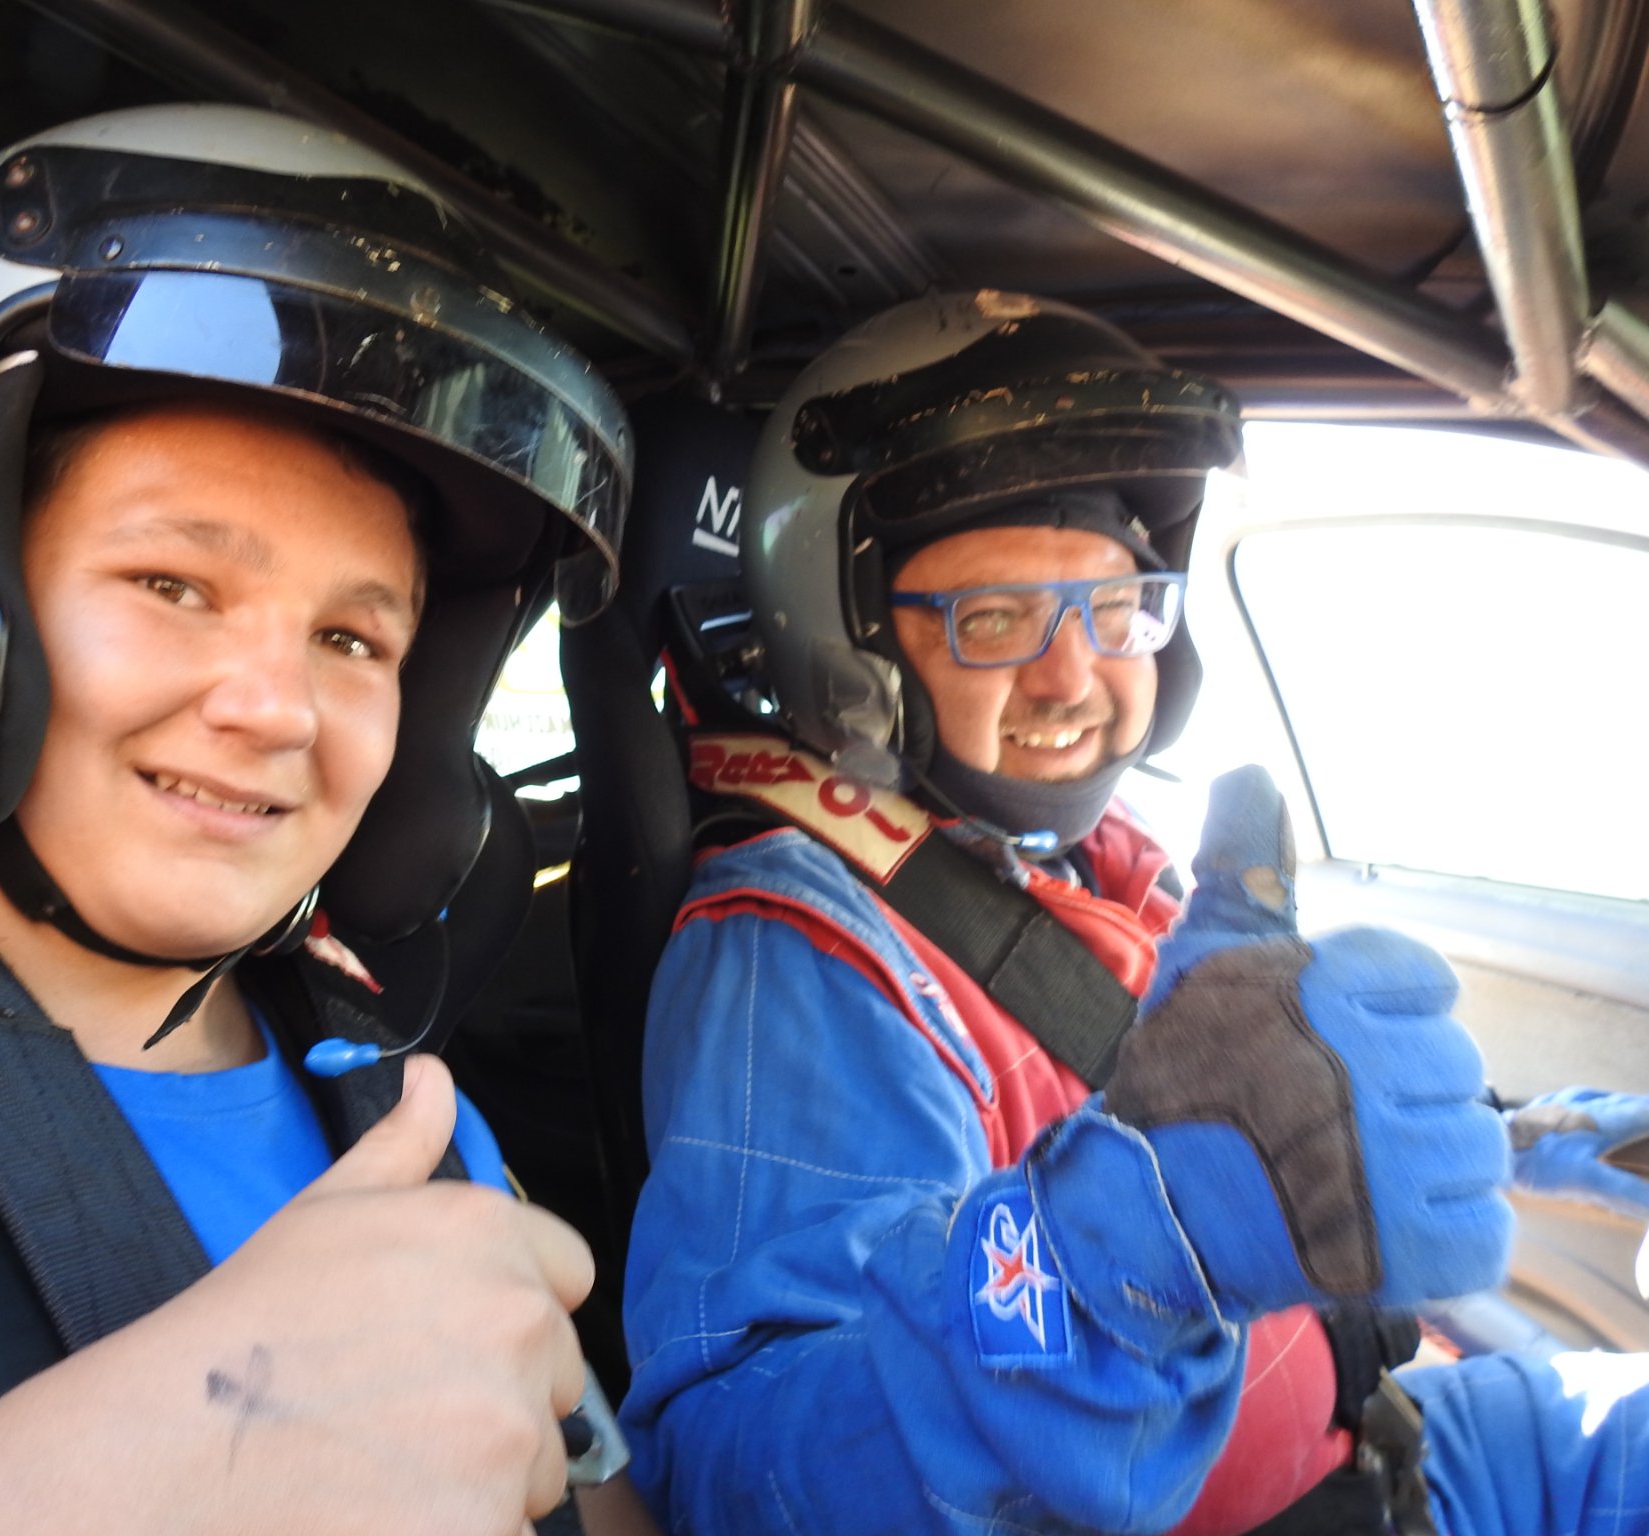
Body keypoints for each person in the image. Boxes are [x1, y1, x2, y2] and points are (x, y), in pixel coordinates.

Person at [0, 103, 639, 1535]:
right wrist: (170, 1468)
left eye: (351, 640)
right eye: (173, 586)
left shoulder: (408, 1121)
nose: (277, 709)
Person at [619, 290, 1649, 1535]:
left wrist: (1544, 1137)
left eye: (1112, 611)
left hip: (1397, 1449)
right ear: (854, 648)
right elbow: (742, 1472)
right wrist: (1123, 1260)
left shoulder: (1104, 862)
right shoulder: (804, 954)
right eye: (993, 619)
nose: (1072, 677)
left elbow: (1276, 1118)